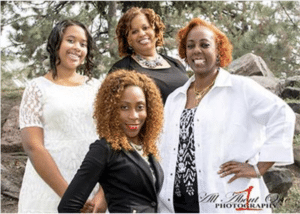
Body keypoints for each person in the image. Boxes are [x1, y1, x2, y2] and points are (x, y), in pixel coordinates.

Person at [158, 18, 295, 213]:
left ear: (219, 50)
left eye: (205, 44)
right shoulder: (175, 98)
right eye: (190, 46)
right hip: (177, 204)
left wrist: (259, 167)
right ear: (185, 54)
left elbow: (282, 115)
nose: (197, 50)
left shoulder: (241, 88)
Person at [18, 20, 105, 213]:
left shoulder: (98, 88)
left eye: (83, 44)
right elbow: (33, 146)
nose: (77, 48)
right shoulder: (36, 88)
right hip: (50, 189)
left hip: (94, 187)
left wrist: (103, 193)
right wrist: (71, 195)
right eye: (71, 40)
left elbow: (113, 140)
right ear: (56, 43)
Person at [58, 69, 164, 213]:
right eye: (124, 107)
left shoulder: (147, 147)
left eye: (140, 107)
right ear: (111, 110)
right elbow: (68, 207)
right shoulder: (104, 149)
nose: (134, 116)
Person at [109, 7, 188, 104]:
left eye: (145, 28)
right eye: (134, 31)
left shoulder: (176, 64)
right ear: (128, 40)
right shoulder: (121, 69)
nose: (142, 34)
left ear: (156, 31)